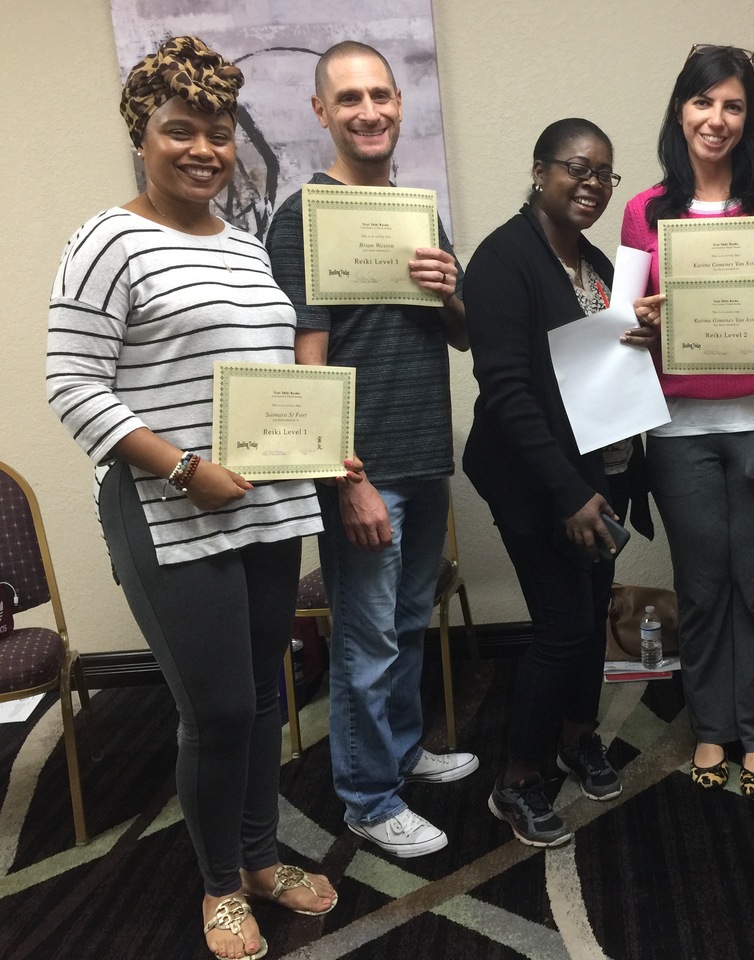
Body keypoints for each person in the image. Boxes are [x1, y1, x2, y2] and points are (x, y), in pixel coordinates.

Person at [47, 36, 337, 960]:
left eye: (218, 132)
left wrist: (320, 440)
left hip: (264, 507)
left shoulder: (246, 248)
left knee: (261, 699)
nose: (204, 150)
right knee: (214, 712)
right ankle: (220, 886)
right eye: (181, 130)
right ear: (143, 135)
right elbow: (72, 384)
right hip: (167, 509)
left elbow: (265, 377)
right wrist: (182, 468)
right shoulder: (107, 241)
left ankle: (260, 858)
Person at [265, 41, 477, 860]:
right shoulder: (303, 217)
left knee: (407, 626)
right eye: (349, 98)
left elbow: (461, 335)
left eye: (380, 95)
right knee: (366, 641)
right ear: (322, 112)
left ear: (399, 104)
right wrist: (344, 479)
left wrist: (450, 291)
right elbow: (305, 364)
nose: (369, 111)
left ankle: (399, 751)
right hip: (363, 470)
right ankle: (367, 797)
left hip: (423, 457)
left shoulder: (415, 211)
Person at [625, 45, 754, 799]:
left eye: (733, 105)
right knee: (702, 587)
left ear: (748, 117)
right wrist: (638, 320)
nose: (717, 119)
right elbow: (620, 326)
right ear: (681, 111)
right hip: (680, 430)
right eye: (704, 102)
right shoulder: (646, 210)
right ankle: (711, 725)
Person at [464, 118, 653, 846]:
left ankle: (578, 738)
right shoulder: (502, 260)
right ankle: (515, 781)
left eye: (605, 173)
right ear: (541, 170)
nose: (593, 184)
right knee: (562, 627)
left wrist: (643, 340)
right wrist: (568, 493)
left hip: (599, 474)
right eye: (578, 168)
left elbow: (601, 369)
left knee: (593, 610)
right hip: (535, 479)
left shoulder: (595, 263)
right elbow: (508, 392)